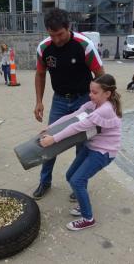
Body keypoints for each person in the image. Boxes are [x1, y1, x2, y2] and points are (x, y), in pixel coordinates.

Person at [33, 8, 104, 200]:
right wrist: (39, 101)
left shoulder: (84, 45)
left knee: (82, 144)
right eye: (52, 35)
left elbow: (101, 76)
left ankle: (77, 184)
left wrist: (102, 106)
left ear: (69, 27)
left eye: (60, 34)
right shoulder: (44, 48)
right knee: (49, 142)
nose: (56, 39)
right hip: (59, 101)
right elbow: (40, 75)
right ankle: (44, 182)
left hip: (84, 100)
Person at [39, 74, 122, 231]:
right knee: (71, 176)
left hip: (104, 151)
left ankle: (88, 218)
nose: (91, 95)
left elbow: (77, 127)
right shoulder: (93, 104)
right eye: (90, 91)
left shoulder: (105, 110)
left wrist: (53, 139)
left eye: (95, 92)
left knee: (77, 181)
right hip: (91, 146)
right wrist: (51, 127)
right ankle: (82, 204)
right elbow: (72, 116)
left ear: (107, 94)